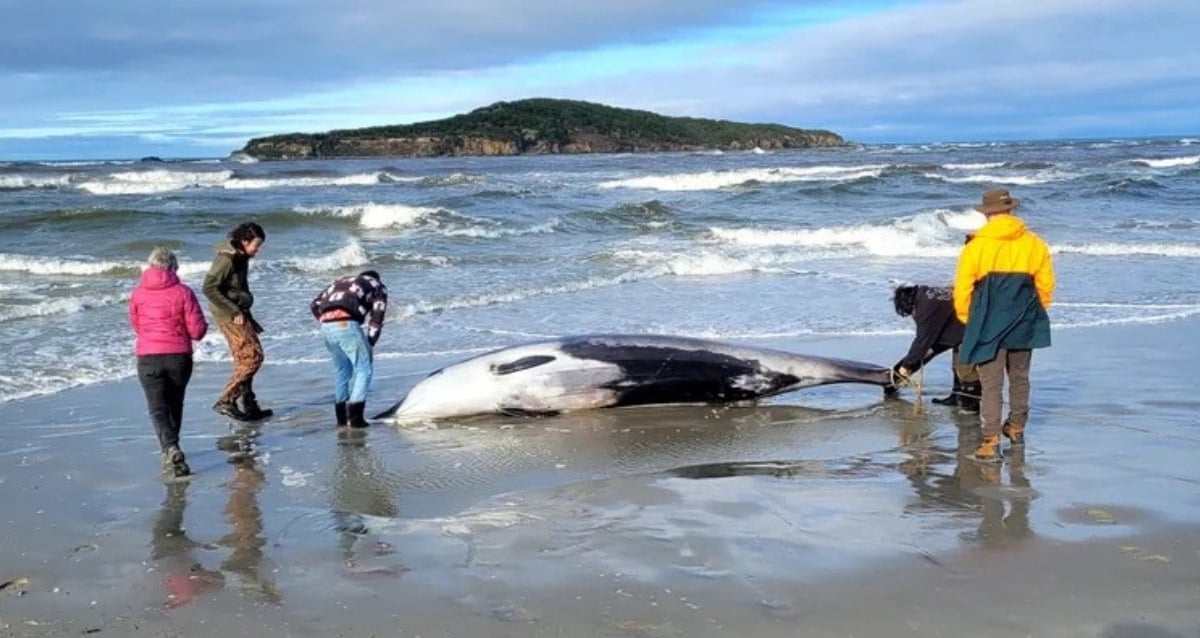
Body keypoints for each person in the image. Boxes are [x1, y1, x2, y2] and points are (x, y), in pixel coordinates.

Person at [953, 188, 1055, 461]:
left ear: (987, 215)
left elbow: (962, 289)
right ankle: (1018, 428)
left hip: (987, 320)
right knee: (1020, 377)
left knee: (991, 383)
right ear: (1011, 211)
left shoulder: (976, 246)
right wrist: (1034, 311)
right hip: (1024, 316)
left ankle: (991, 439)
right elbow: (1046, 286)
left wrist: (967, 318)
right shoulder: (1035, 244)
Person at [129, 247, 208, 477]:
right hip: (178, 356)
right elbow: (197, 331)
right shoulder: (183, 292)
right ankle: (173, 447)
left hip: (148, 357)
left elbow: (136, 326)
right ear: (173, 267)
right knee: (175, 404)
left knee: (157, 408)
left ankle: (170, 448)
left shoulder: (137, 293)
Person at [203, 222, 271, 421]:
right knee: (253, 358)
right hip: (229, 315)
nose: (258, 250)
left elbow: (236, 288)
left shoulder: (242, 258)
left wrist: (245, 313)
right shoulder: (227, 259)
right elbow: (209, 288)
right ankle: (226, 400)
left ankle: (248, 404)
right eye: (256, 245)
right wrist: (233, 311)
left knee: (245, 359)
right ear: (244, 241)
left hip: (240, 312)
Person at [310, 270, 389, 428]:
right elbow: (377, 317)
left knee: (343, 371)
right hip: (346, 324)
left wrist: (326, 321)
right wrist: (370, 342)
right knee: (364, 369)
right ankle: (355, 419)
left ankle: (341, 419)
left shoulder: (341, 281)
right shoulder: (378, 286)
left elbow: (315, 304)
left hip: (326, 327)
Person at [890, 283, 980, 412]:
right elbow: (932, 339)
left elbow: (922, 341)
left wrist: (906, 366)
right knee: (957, 365)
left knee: (965, 367)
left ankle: (972, 404)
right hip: (963, 322)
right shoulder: (927, 293)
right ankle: (957, 396)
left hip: (973, 325)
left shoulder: (925, 307)